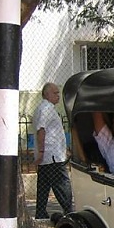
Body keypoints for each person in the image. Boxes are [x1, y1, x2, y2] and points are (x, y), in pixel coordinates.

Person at [33, 82, 73, 220]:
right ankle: (69, 211)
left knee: (43, 186)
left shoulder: (43, 108)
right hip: (52, 156)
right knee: (62, 184)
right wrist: (42, 151)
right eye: (55, 93)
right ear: (47, 94)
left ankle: (40, 213)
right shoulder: (46, 109)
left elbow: (52, 132)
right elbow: (41, 130)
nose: (58, 96)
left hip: (49, 156)